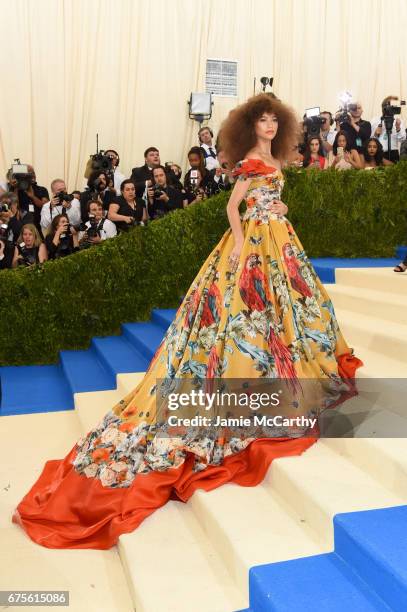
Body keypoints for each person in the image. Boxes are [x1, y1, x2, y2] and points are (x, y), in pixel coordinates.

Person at [12, 93, 362, 550]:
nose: (271, 126)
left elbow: (273, 200)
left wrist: (281, 210)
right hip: (251, 245)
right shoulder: (251, 162)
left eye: (276, 120)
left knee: (288, 315)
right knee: (242, 321)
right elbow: (232, 208)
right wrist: (238, 243)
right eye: (263, 120)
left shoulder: (276, 162)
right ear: (250, 126)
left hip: (281, 242)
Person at [370, 96, 405, 163]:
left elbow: (402, 139)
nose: (393, 107)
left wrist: (398, 128)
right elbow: (369, 140)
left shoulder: (398, 121)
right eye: (391, 104)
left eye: (395, 105)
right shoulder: (375, 120)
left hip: (394, 153)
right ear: (384, 106)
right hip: (378, 152)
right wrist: (375, 134)